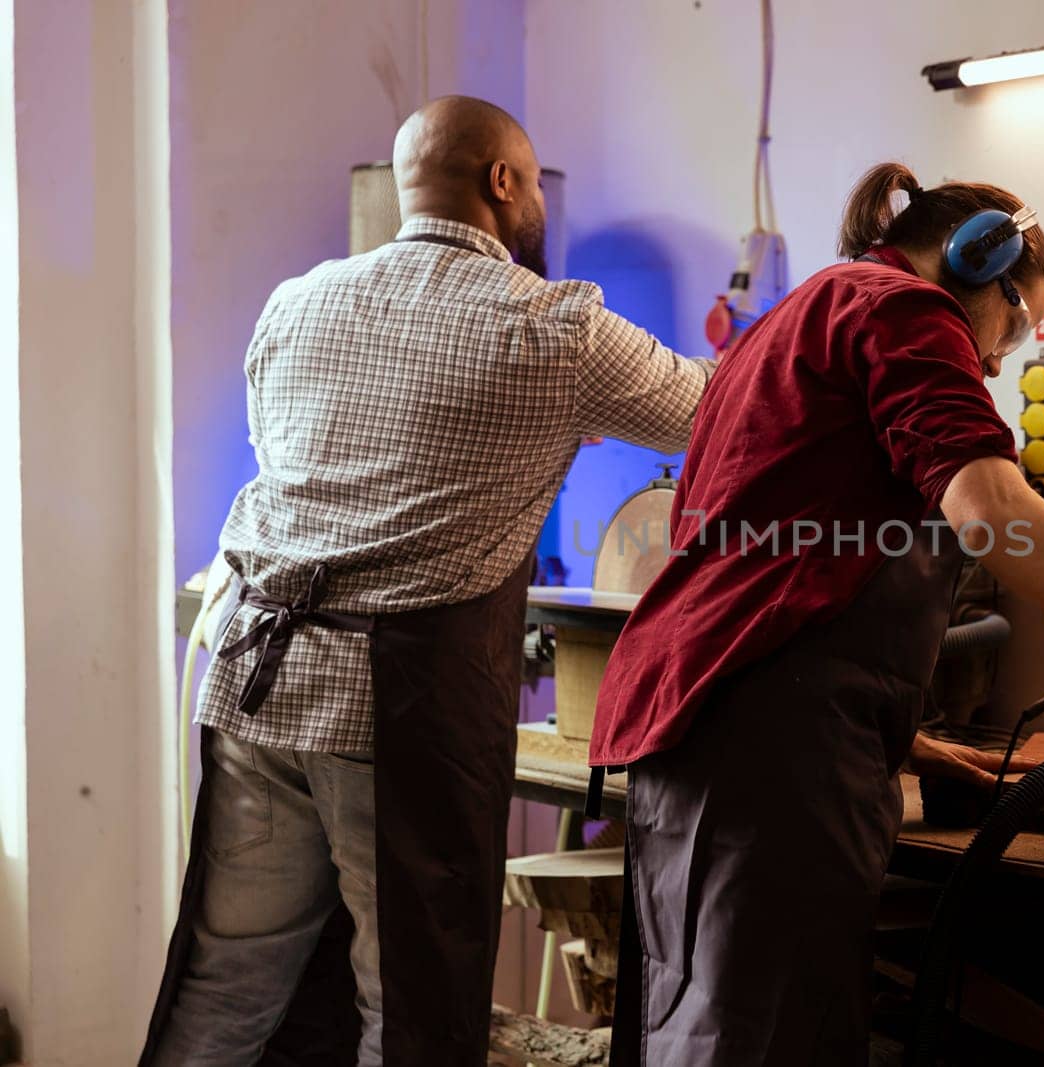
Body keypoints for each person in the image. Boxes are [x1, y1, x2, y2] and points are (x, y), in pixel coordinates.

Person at [142, 95, 713, 1066]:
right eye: (532, 182)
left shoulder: (298, 299)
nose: (537, 202)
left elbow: (306, 466)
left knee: (229, 980)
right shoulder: (558, 326)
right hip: (390, 709)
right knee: (407, 1002)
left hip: (254, 683)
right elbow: (722, 416)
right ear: (501, 182)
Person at [589, 162, 1044, 1065]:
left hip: (721, 731)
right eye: (1014, 323)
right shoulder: (903, 311)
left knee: (713, 1030)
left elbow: (781, 553)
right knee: (758, 1042)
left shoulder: (793, 320)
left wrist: (891, 736)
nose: (994, 359)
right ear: (982, 260)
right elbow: (991, 513)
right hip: (762, 757)